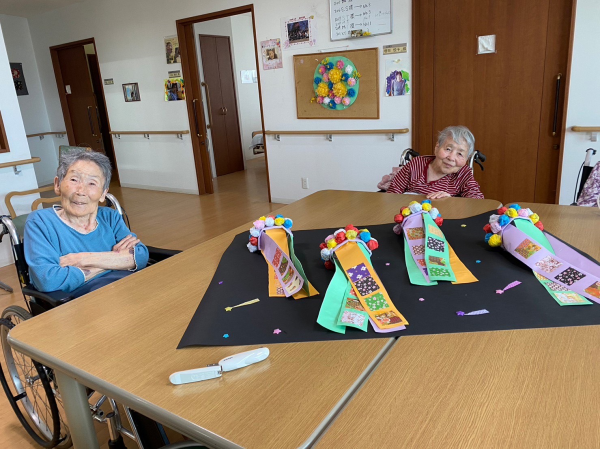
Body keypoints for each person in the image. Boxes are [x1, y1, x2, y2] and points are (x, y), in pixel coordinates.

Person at [24, 150, 149, 296]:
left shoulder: (110, 217)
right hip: (84, 301)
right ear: (57, 185)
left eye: (92, 183)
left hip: (128, 289)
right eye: (74, 180)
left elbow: (140, 255)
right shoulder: (40, 222)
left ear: (103, 193)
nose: (81, 191)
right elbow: (48, 280)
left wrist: (82, 259)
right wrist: (116, 261)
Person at [387, 125, 484, 199]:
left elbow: (476, 200)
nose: (451, 158)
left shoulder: (463, 173)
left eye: (460, 154)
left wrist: (451, 200)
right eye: (448, 149)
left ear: (466, 159)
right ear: (437, 148)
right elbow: (392, 193)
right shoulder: (416, 164)